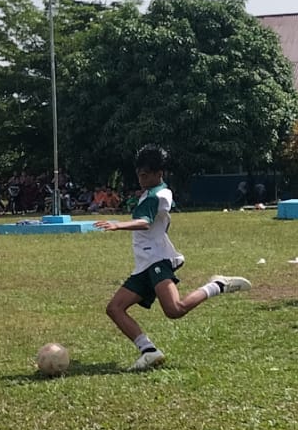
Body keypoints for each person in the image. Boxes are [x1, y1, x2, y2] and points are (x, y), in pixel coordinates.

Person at [95, 144, 251, 371]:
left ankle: (217, 285)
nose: (141, 178)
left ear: (159, 173)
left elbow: (145, 223)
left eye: (146, 174)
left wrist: (118, 225)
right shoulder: (154, 192)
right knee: (115, 308)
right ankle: (148, 351)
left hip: (157, 261)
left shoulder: (156, 195)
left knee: (175, 310)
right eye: (139, 174)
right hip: (145, 264)